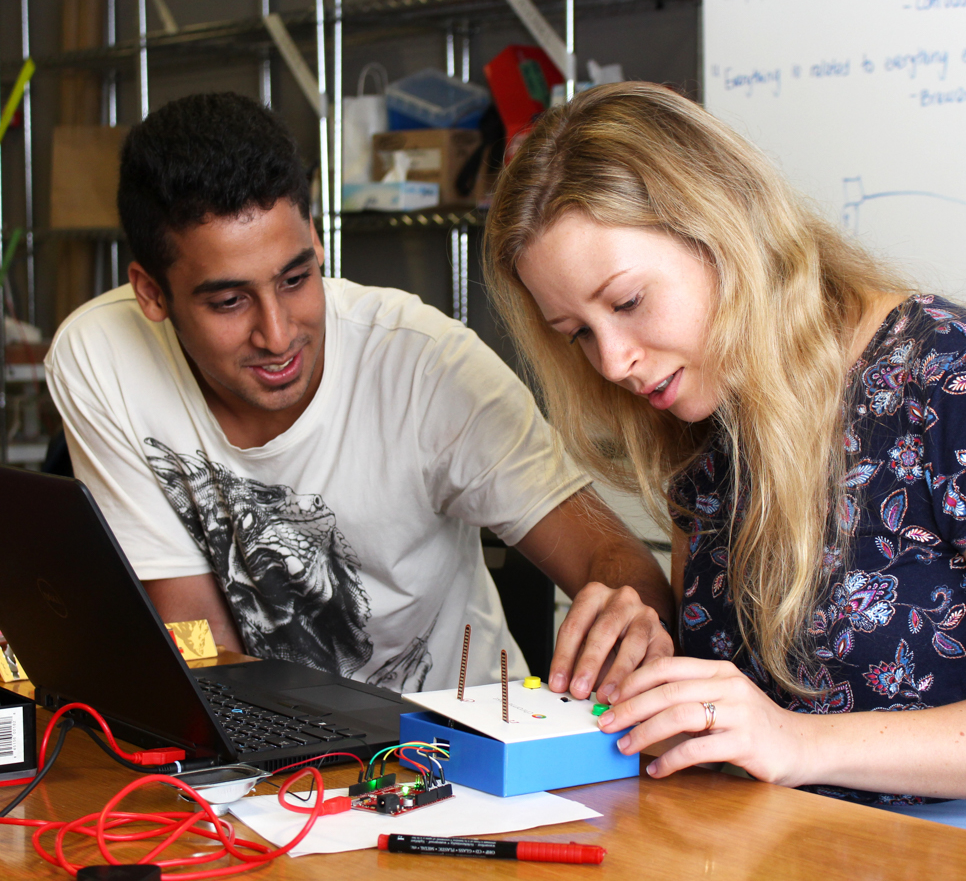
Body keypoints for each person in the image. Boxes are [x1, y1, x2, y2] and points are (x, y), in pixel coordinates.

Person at [482, 82, 966, 860]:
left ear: (725, 230)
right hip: (791, 841)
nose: (615, 361)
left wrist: (799, 742)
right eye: (577, 335)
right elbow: (748, 695)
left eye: (628, 301)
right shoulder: (707, 423)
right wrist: (660, 653)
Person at [45, 91, 674, 699]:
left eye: (296, 278)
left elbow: (619, 561)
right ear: (152, 293)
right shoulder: (101, 357)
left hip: (461, 758)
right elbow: (198, 643)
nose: (278, 332)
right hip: (267, 749)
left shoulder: (427, 366)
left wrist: (625, 619)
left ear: (317, 242)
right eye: (230, 301)